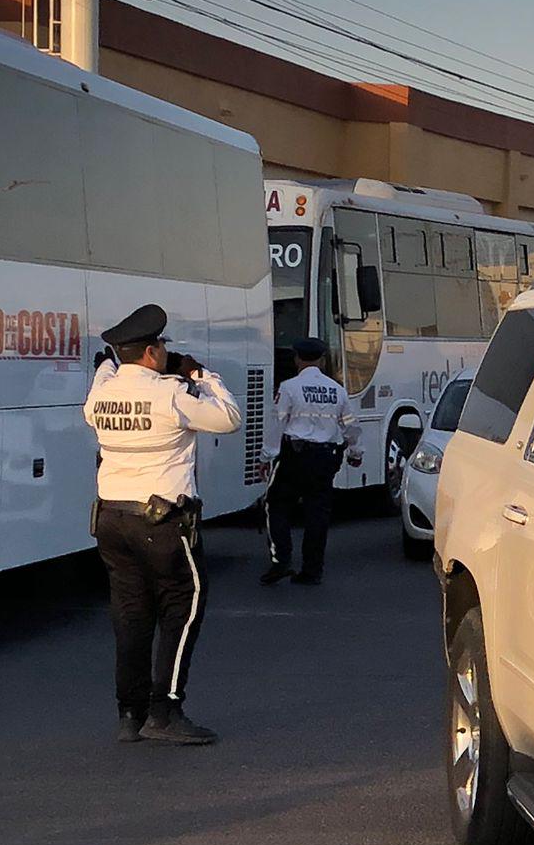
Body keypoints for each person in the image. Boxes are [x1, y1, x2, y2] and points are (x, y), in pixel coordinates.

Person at [83, 304, 242, 745]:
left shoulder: (101, 394)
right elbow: (228, 418)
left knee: (130, 614)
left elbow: (103, 376)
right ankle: (165, 711)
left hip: (112, 520)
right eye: (163, 348)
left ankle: (128, 714)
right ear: (153, 352)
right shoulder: (172, 394)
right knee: (183, 608)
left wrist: (111, 365)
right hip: (162, 522)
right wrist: (201, 375)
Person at [260, 338, 362, 586]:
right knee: (317, 514)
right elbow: (350, 425)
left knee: (276, 505)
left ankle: (281, 560)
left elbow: (278, 424)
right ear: (322, 359)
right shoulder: (336, 389)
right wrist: (356, 452)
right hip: (326, 458)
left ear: (296, 358)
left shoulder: (289, 387)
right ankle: (312, 570)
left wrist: (266, 456)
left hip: (295, 457)